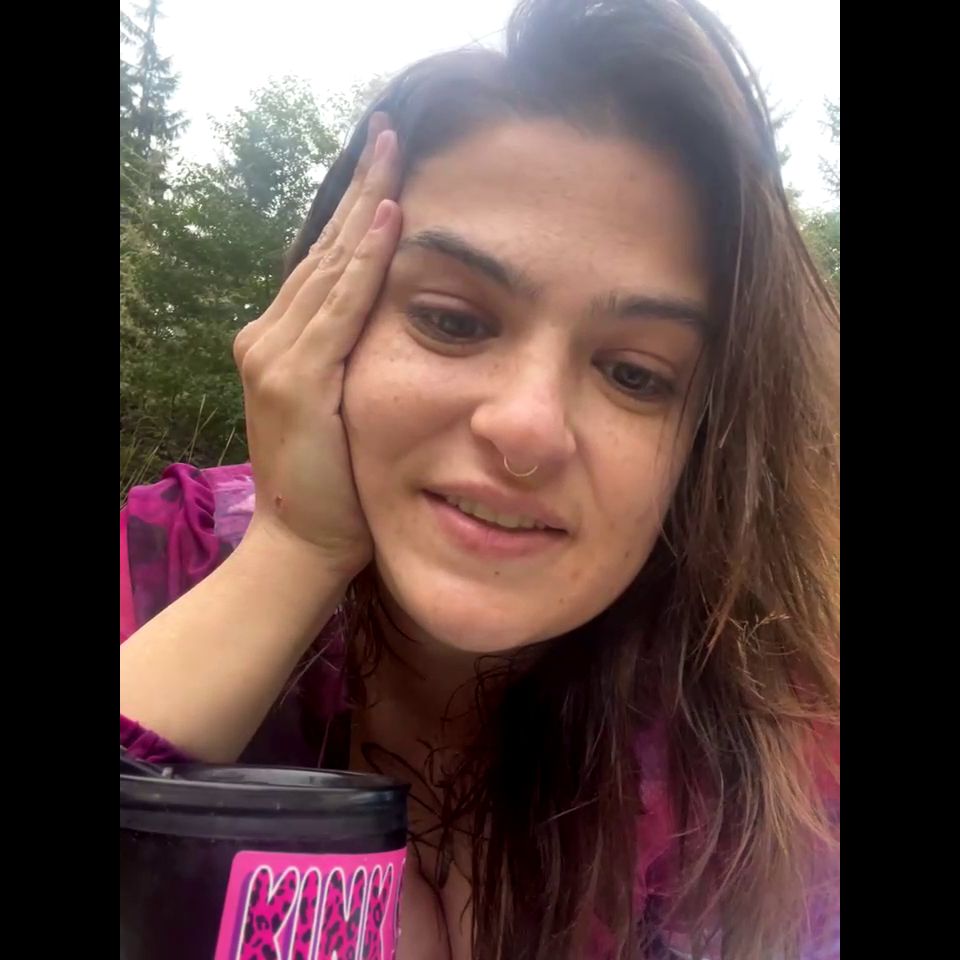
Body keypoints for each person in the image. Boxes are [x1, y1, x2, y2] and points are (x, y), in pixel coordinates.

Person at [119, 1, 840, 957]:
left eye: (635, 375)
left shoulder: (780, 765)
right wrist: (293, 549)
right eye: (452, 321)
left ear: (708, 443)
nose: (527, 428)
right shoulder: (166, 561)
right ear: (320, 320)